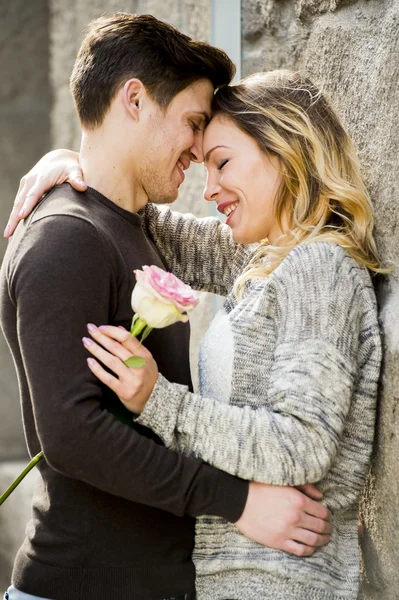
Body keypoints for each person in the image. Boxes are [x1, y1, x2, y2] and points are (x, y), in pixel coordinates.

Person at [10, 70, 385, 599]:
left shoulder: (320, 270)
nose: (208, 189)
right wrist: (79, 163)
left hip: (281, 581)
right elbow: (148, 223)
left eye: (223, 162)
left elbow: (302, 444)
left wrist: (161, 403)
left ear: (286, 148)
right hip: (234, 579)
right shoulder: (271, 259)